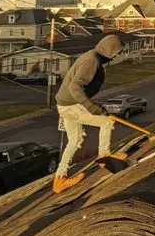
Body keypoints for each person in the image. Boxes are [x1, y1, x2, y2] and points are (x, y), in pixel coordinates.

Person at [52, 34, 125, 193]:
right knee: (106, 122)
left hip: (67, 104)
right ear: (109, 50)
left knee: (75, 140)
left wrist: (92, 105)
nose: (117, 55)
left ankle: (59, 179)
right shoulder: (91, 60)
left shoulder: (94, 58)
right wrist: (92, 108)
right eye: (117, 52)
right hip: (71, 105)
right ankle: (104, 157)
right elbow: (75, 87)